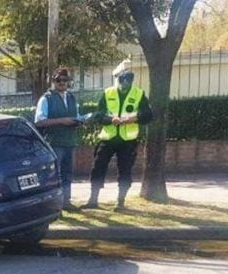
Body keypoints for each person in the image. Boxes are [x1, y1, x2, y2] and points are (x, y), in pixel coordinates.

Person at [82, 67, 153, 211]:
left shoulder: (139, 94)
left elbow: (148, 115)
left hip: (127, 140)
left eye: (128, 81)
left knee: (125, 170)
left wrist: (135, 118)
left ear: (132, 82)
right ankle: (93, 200)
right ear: (117, 80)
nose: (124, 83)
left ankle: (120, 203)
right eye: (122, 80)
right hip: (108, 138)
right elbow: (98, 115)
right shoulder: (108, 93)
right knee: (98, 167)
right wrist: (110, 119)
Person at [34, 68, 89, 212]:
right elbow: (39, 121)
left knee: (67, 173)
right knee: (53, 175)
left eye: (65, 80)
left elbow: (76, 116)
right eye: (58, 80)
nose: (62, 83)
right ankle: (52, 205)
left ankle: (66, 202)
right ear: (53, 81)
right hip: (54, 142)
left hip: (70, 141)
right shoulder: (46, 98)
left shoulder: (71, 97)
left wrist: (80, 121)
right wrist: (61, 121)